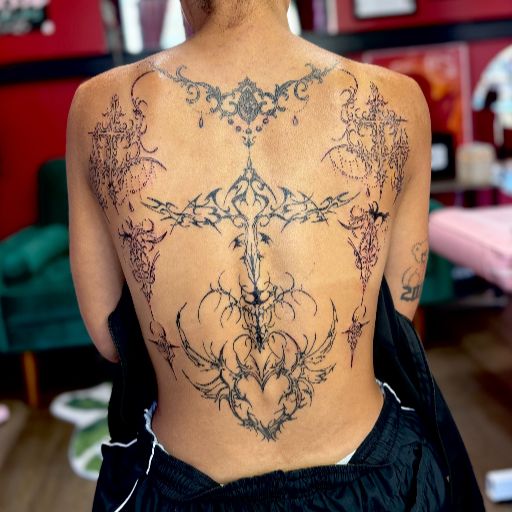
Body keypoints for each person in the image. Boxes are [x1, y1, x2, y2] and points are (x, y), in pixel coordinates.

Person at [66, 1, 483, 510]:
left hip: (186, 488)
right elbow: (396, 309)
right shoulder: (393, 101)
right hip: (374, 484)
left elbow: (109, 336)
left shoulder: (101, 107)